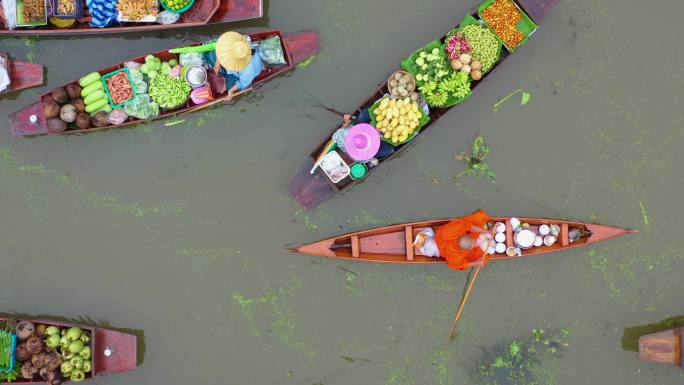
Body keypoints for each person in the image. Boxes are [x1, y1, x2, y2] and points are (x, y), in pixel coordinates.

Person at [204, 31, 263, 99]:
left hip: (237, 75)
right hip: (233, 63)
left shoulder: (248, 70)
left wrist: (231, 91)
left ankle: (225, 79)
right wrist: (217, 65)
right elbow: (221, 51)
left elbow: (242, 83)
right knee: (212, 55)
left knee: (229, 86)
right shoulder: (236, 45)